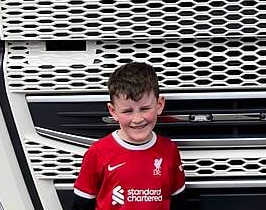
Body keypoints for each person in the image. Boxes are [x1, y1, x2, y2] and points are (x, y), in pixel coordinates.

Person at [72, 62, 185, 209]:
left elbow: (179, 204)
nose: (137, 119)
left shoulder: (169, 150)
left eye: (145, 109)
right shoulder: (97, 153)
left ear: (159, 105)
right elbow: (81, 205)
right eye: (127, 111)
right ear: (113, 111)